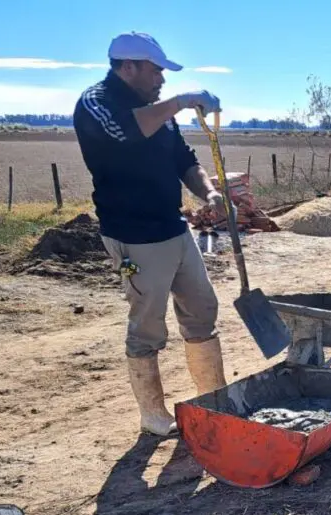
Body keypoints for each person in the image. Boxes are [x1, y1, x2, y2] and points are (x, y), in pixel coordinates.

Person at [73, 32, 228, 437]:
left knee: (202, 309)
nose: (161, 78)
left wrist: (208, 191)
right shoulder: (96, 104)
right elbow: (125, 131)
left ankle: (212, 401)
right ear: (128, 66)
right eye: (156, 69)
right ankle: (153, 414)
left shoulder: (156, 110)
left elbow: (184, 160)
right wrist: (177, 102)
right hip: (133, 236)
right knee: (147, 322)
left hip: (172, 226)